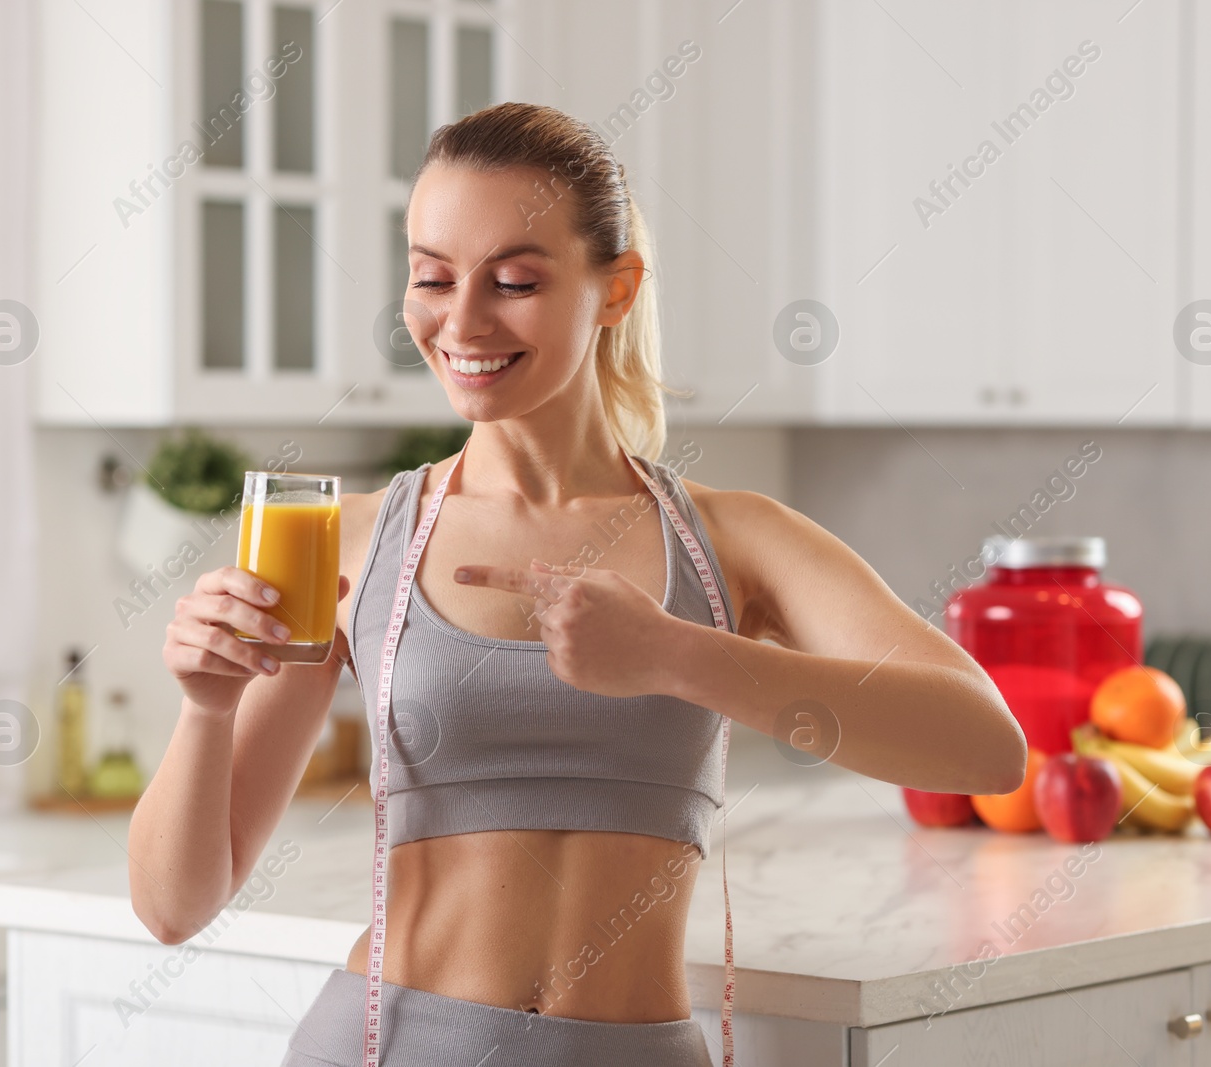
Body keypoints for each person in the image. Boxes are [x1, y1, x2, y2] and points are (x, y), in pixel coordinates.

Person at [129, 101, 1025, 1067]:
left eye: (514, 280)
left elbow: (987, 746)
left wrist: (679, 653)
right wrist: (206, 708)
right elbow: (175, 906)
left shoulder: (735, 541)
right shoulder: (343, 540)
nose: (461, 319)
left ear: (616, 288)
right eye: (432, 276)